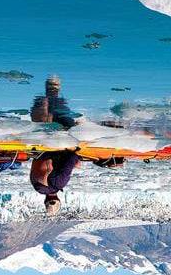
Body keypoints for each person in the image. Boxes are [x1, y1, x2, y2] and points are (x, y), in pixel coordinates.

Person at [29, 76, 123, 215]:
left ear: (58, 199)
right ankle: (45, 98)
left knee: (67, 119)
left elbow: (71, 159)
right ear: (45, 201)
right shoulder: (37, 186)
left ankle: (53, 89)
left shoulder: (57, 184)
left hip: (56, 143)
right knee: (48, 113)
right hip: (42, 145)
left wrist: (77, 159)